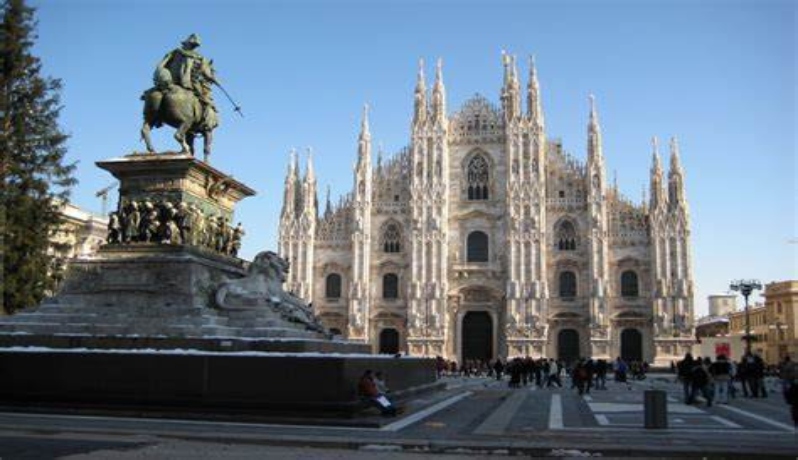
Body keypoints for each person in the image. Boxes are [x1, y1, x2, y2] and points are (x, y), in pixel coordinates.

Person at [153, 34, 218, 130]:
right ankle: (205, 123)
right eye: (193, 45)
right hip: (188, 82)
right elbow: (206, 74)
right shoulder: (199, 57)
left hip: (171, 81)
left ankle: (158, 118)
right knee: (206, 100)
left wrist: (161, 77)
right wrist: (214, 80)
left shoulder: (175, 52)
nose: (193, 46)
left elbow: (161, 65)